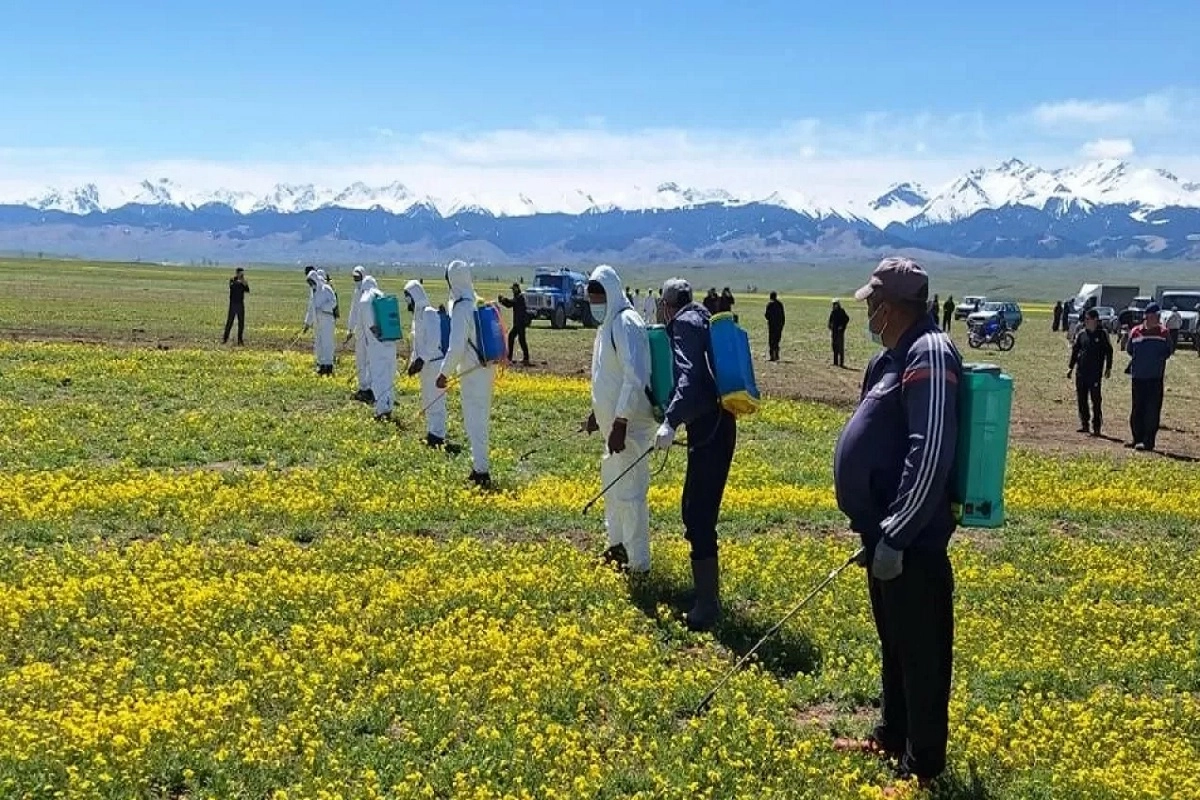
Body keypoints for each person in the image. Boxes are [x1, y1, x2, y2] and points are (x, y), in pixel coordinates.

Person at [832, 257, 961, 790]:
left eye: (874, 304)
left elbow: (928, 451)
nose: (869, 311)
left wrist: (898, 532)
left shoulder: (930, 351)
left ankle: (922, 766)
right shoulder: (890, 357)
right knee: (895, 644)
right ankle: (892, 737)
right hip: (882, 535)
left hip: (911, 544)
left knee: (922, 652)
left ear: (893, 306)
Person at [653, 278, 737, 632]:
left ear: (668, 305)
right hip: (719, 427)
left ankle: (707, 604)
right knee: (698, 510)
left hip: (710, 430)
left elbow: (690, 378)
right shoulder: (703, 317)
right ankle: (706, 596)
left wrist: (671, 421)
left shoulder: (684, 325)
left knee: (697, 513)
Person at [583, 265, 657, 575]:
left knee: (630, 494)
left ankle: (639, 565)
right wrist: (597, 414)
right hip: (612, 427)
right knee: (614, 491)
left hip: (631, 427)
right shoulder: (607, 325)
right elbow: (607, 376)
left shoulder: (627, 322)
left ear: (611, 293)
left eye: (598, 297)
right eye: (591, 299)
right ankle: (617, 548)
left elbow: (635, 375)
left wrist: (621, 421)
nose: (594, 304)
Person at [438, 260, 497, 488]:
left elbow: (456, 347)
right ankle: (478, 466)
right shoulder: (475, 301)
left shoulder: (462, 307)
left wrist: (444, 373)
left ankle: (481, 471)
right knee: (478, 418)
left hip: (473, 374)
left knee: (475, 421)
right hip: (484, 369)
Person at [404, 279, 456, 451]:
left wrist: (421, 360)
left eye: (408, 297)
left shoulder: (429, 313)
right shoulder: (416, 318)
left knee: (436, 400)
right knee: (427, 399)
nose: (407, 302)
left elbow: (433, 342)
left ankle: (438, 436)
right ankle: (432, 432)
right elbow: (417, 344)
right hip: (425, 366)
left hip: (435, 364)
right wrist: (414, 362)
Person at [1126, 303, 1173, 452]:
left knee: (1152, 410)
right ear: (1147, 316)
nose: (1156, 318)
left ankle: (1148, 441)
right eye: (1153, 316)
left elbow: (1168, 351)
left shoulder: (1163, 333)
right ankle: (1137, 438)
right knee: (1137, 408)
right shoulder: (1135, 332)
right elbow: (1130, 350)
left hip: (1154, 378)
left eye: (1157, 316)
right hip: (1138, 377)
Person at [355, 276, 397, 420]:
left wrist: (373, 329)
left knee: (378, 376)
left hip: (376, 343)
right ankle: (388, 406)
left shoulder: (367, 296)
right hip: (389, 341)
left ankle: (381, 411)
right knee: (388, 375)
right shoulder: (382, 295)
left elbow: (365, 307)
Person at [1068, 308, 1113, 436]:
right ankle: (1084, 424)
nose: (1086, 322)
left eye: (1088, 319)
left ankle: (1097, 426)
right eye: (1085, 319)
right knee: (1081, 399)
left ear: (1095, 320)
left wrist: (1108, 368)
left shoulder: (1102, 334)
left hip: (1095, 373)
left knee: (1096, 400)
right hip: (1081, 372)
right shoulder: (1082, 334)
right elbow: (1075, 351)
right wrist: (1070, 367)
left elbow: (1109, 352)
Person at [347, 266, 373, 403]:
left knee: (369, 360)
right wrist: (350, 329)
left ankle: (370, 387)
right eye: (354, 278)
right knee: (360, 359)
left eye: (358, 278)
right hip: (359, 333)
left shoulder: (369, 293)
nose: (356, 280)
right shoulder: (357, 292)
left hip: (369, 333)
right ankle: (363, 387)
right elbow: (353, 311)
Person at [304, 270, 338, 375]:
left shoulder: (326, 289)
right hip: (317, 322)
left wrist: (323, 308)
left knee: (327, 343)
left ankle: (328, 366)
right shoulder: (313, 292)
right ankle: (321, 364)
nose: (311, 285)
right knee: (318, 343)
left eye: (312, 282)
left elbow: (333, 302)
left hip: (327, 321)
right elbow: (311, 308)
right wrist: (307, 323)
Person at [498, 283, 531, 366]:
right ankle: (510, 358)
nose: (512, 290)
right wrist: (502, 301)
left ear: (517, 289)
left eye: (513, 289)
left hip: (520, 323)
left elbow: (511, 303)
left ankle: (525, 359)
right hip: (518, 323)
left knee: (521, 340)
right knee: (512, 337)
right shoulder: (517, 297)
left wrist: (503, 299)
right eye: (512, 289)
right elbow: (509, 305)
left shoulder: (520, 297)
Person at [223, 267, 249, 345]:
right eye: (241, 273)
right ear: (237, 273)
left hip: (240, 304)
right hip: (233, 304)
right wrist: (239, 282)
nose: (242, 274)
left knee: (241, 323)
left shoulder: (243, 281)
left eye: (243, 273)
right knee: (230, 322)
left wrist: (244, 283)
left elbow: (247, 290)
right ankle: (225, 339)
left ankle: (240, 340)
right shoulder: (232, 280)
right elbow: (232, 287)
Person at [828, 299, 850, 367]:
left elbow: (847, 319)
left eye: (836, 304)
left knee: (840, 348)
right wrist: (830, 325)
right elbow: (830, 320)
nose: (835, 305)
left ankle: (841, 364)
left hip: (840, 332)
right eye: (834, 304)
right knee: (835, 347)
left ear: (838, 304)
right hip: (834, 332)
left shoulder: (842, 311)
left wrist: (842, 326)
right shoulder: (833, 312)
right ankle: (835, 362)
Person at [765, 291, 785, 362]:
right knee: (777, 340)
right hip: (779, 325)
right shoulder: (780, 304)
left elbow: (766, 315)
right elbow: (783, 316)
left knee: (771, 341)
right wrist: (782, 324)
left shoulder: (769, 305)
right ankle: (776, 354)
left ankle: (772, 356)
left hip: (772, 326)